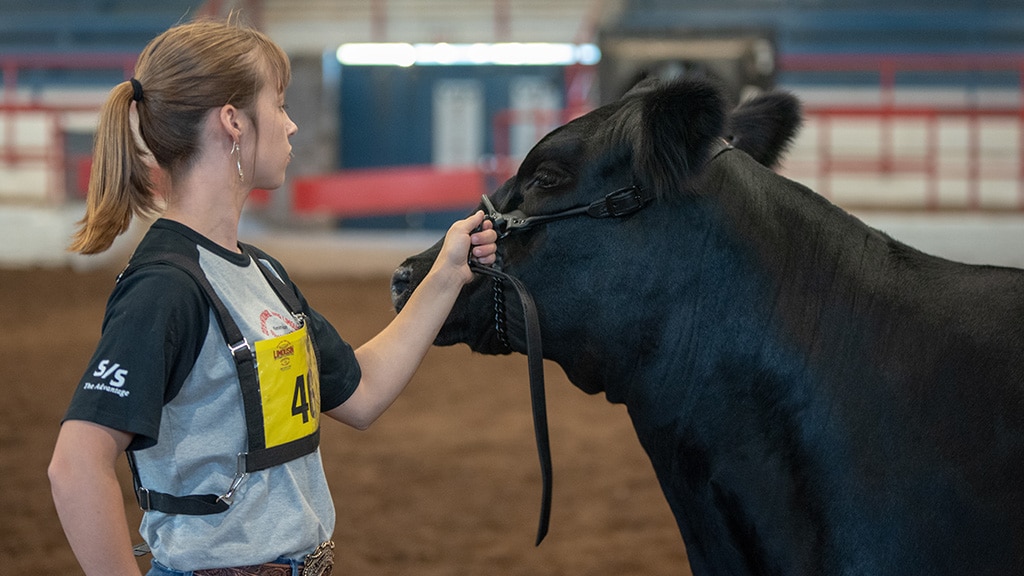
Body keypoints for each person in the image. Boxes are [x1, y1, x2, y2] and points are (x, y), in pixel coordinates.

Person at [47, 16, 497, 576]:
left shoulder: (262, 272)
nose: (291, 126)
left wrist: (449, 272)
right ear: (232, 122)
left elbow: (361, 392)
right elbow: (75, 465)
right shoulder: (166, 286)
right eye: (279, 104)